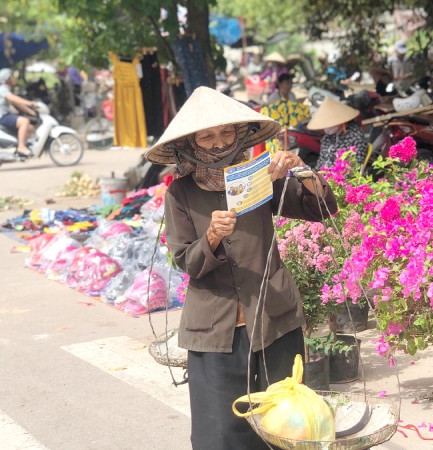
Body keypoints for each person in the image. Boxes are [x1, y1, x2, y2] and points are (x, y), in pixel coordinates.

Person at [144, 86, 338, 450]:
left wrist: (303, 173)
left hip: (273, 319)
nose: (218, 143)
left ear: (239, 134)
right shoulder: (180, 194)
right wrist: (212, 237)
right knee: (220, 431)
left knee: (284, 424)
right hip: (215, 329)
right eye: (207, 135)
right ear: (190, 142)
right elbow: (187, 261)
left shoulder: (258, 178)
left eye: (226, 132)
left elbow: (318, 209)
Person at [307, 98, 368, 169]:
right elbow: (321, 161)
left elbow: (355, 167)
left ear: (341, 122)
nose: (325, 128)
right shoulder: (327, 138)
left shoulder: (356, 138)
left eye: (329, 123)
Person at [0, 68, 37, 158]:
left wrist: (30, 111)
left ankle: (20, 146)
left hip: (7, 115)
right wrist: (29, 102)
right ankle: (21, 147)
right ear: (7, 79)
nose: (14, 78)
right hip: (2, 117)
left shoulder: (7, 89)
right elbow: (13, 99)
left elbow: (17, 103)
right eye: (12, 76)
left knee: (31, 128)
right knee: (24, 121)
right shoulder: (2, 89)